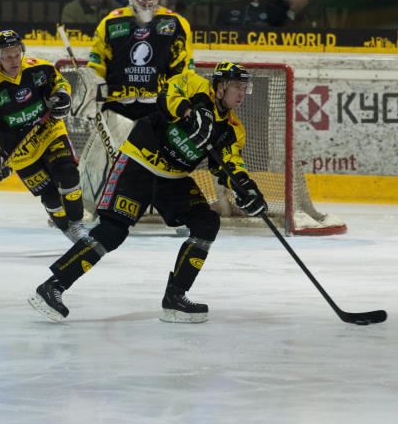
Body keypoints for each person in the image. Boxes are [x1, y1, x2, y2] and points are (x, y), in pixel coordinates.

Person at [27, 62, 267, 324]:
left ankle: (175, 297)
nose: (241, 94)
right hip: (138, 163)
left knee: (206, 223)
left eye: (244, 88)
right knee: (112, 232)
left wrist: (246, 189)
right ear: (220, 87)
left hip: (172, 179)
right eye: (236, 87)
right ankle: (52, 286)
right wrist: (189, 111)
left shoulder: (232, 129)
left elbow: (230, 164)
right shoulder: (195, 84)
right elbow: (167, 95)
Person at [75, 0, 194, 218]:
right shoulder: (111, 22)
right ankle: (87, 209)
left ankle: (178, 214)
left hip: (158, 108)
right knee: (97, 158)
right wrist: (93, 89)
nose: (147, 1)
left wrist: (182, 101)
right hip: (118, 105)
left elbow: (184, 69)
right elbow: (96, 63)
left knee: (167, 162)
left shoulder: (175, 23)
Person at [0, 30, 88, 244]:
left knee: (67, 173)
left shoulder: (38, 68)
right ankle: (66, 228)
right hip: (19, 151)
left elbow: (59, 83)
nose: (14, 60)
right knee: (50, 195)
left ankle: (78, 226)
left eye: (17, 54)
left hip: (49, 132)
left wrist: (62, 96)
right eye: (8, 56)